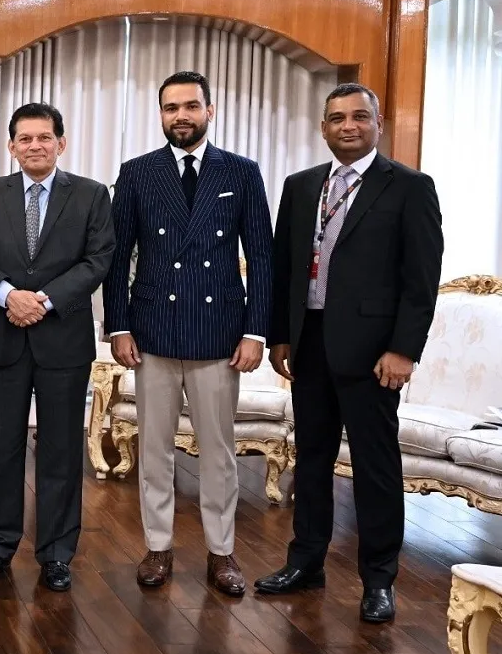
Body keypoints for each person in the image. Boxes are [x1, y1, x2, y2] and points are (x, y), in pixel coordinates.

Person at [255, 83, 443, 623]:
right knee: (309, 460)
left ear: (378, 124)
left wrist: (404, 350)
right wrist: (280, 336)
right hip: (308, 345)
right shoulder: (301, 186)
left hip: (372, 355)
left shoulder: (409, 187)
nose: (348, 126)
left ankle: (379, 579)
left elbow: (420, 279)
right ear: (323, 127)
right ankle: (306, 561)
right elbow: (286, 267)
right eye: (337, 118)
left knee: (375, 467)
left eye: (360, 117)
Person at [103, 70, 273, 597]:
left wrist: (256, 333)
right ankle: (158, 546)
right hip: (151, 331)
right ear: (161, 114)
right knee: (154, 448)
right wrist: (118, 325)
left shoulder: (242, 173)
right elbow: (115, 257)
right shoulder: (136, 173)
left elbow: (262, 258)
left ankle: (222, 553)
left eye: (191, 106)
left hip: (219, 335)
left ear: (210, 110)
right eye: (171, 107)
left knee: (218, 452)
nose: (181, 115)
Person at [0, 103, 114, 591]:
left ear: (60, 143)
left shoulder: (89, 195)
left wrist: (43, 300)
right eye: (25, 139)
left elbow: (99, 259)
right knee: (0, 448)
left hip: (62, 341)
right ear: (11, 146)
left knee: (61, 451)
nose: (35, 146)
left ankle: (57, 554)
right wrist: (9, 295)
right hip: (3, 338)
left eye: (44, 137)